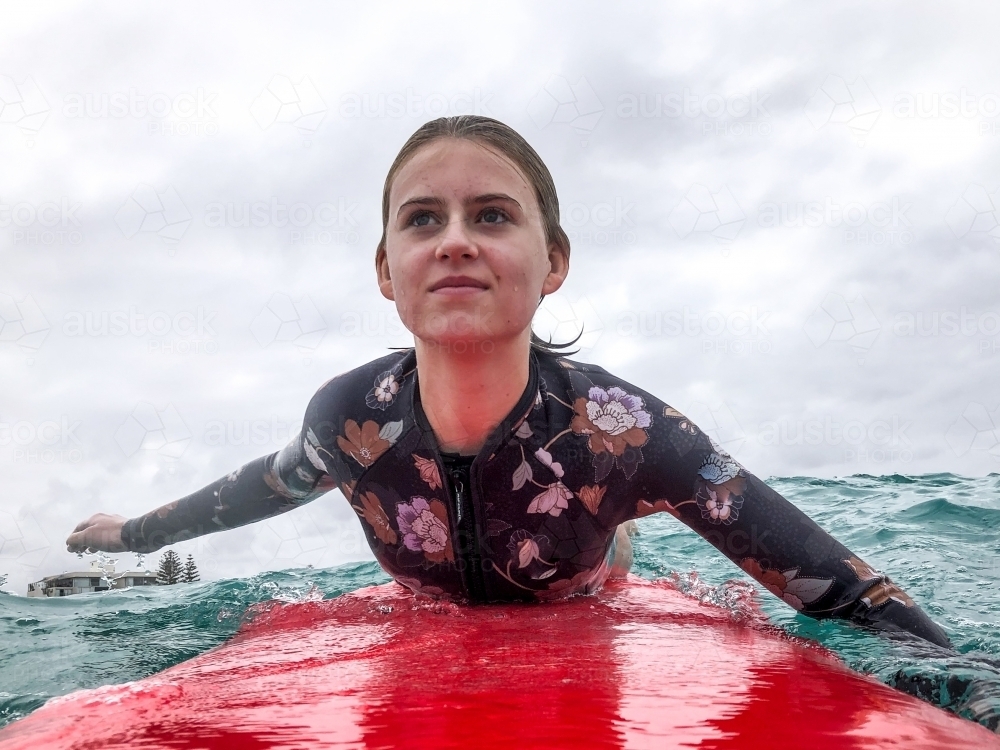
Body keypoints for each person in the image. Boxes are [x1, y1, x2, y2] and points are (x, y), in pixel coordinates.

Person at [67, 115, 950, 648]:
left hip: (585, 584)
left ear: (552, 260)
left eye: (491, 214)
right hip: (432, 599)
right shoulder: (348, 421)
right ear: (387, 269)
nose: (455, 239)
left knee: (615, 561)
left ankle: (620, 545)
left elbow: (847, 591)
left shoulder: (627, 430)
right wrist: (131, 535)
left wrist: (967, 687)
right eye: (423, 220)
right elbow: (260, 487)